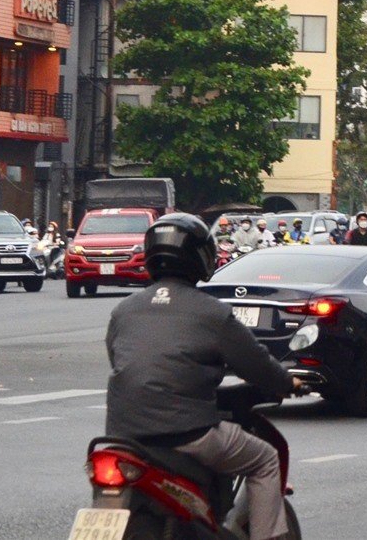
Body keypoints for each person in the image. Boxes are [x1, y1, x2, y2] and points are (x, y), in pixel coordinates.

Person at [104, 215, 299, 540]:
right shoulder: (213, 313)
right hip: (187, 434)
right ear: (201, 259)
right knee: (265, 458)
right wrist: (288, 382)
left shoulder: (124, 310)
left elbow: (120, 359)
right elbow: (258, 365)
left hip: (123, 438)